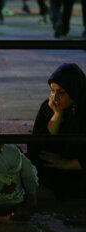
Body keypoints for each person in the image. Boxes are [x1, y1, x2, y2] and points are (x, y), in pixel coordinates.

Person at [27, 63, 86, 199]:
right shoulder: (49, 108)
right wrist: (57, 116)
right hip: (49, 166)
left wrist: (66, 164)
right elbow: (36, 146)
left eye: (61, 92)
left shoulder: (83, 110)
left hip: (75, 170)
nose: (55, 98)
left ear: (74, 91)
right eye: (52, 91)